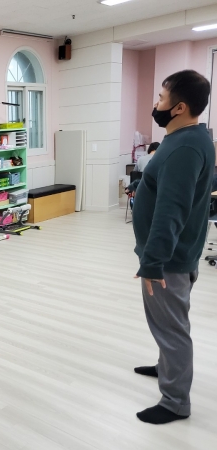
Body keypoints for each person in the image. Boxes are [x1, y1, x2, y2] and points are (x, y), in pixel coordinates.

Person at [132, 70, 214, 425]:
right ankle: (166, 366)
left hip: (169, 261)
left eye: (161, 98)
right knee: (169, 324)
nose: (156, 104)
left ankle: (175, 402)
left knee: (171, 329)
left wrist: (153, 263)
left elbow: (172, 210)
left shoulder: (184, 147)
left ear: (179, 107)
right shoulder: (190, 138)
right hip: (178, 254)